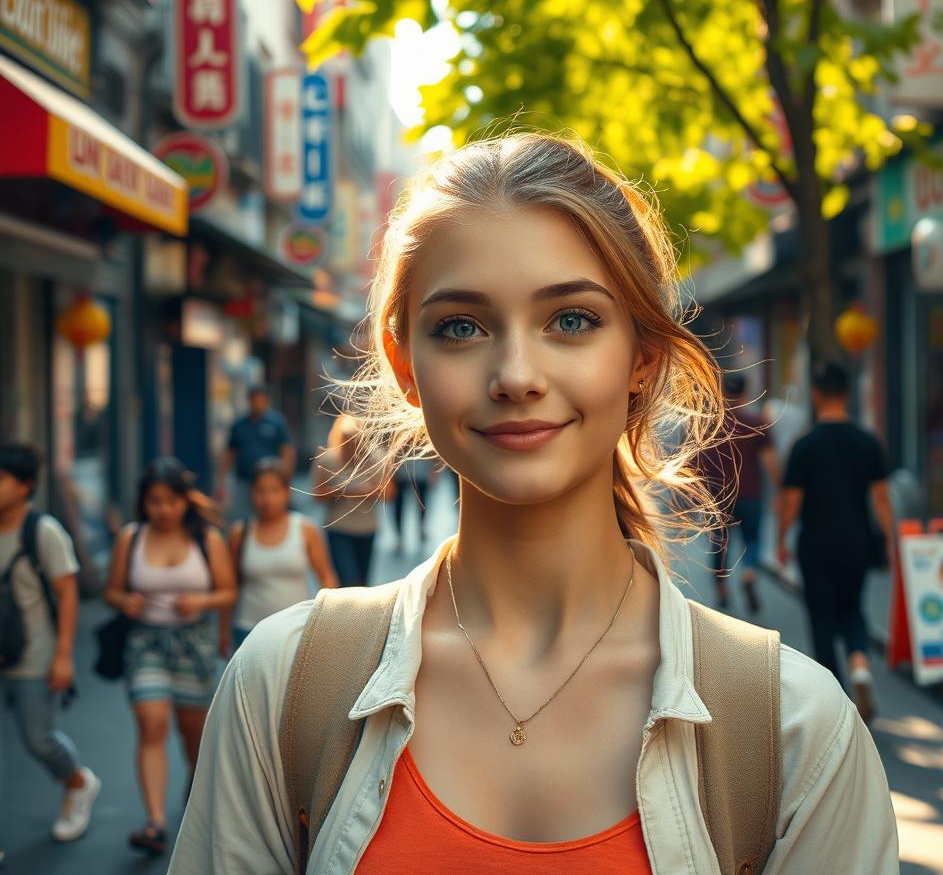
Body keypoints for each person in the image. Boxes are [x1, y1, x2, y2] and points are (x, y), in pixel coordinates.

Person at [170, 134, 898, 874]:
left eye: (572, 320)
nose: (516, 374)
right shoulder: (283, 686)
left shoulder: (795, 735)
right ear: (405, 365)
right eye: (462, 326)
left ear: (642, 357)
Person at [103, 458, 236, 856]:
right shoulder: (132, 537)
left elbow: (228, 591)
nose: (164, 509)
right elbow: (111, 590)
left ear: (184, 501)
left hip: (193, 646)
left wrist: (201, 600)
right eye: (155, 501)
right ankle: (155, 823)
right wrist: (123, 600)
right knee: (151, 722)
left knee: (193, 737)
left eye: (172, 501)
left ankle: (194, 797)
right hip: (146, 643)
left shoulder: (206, 539)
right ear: (144, 503)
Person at [776, 361, 895, 725]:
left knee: (822, 619)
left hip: (817, 545)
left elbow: (792, 502)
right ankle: (859, 661)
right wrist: (889, 542)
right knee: (853, 608)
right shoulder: (867, 442)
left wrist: (782, 539)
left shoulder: (805, 446)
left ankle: (839, 704)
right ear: (847, 394)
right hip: (858, 543)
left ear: (816, 394)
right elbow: (881, 500)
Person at [0, 443, 101, 843]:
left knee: (39, 741)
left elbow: (68, 593)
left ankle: (77, 783)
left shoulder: (42, 531)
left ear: (25, 486)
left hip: (34, 656)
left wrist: (63, 656)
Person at [221, 457, 338, 655]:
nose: (267, 499)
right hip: (249, 630)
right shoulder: (240, 533)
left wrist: (329, 624)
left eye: (274, 490)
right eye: (260, 491)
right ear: (251, 493)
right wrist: (223, 631)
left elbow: (326, 578)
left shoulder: (305, 529)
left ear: (286, 492)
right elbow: (229, 587)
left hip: (296, 630)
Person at [701, 373, 779, 614]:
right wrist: (781, 491)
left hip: (717, 497)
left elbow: (695, 465)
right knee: (753, 540)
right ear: (745, 393)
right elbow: (770, 464)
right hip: (750, 494)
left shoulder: (707, 426)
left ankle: (722, 590)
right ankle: (748, 573)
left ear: (722, 393)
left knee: (719, 545)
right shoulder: (756, 424)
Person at [313, 412, 393, 587]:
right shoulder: (327, 459)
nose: (351, 445)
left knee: (362, 584)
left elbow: (389, 494)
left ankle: (358, 614)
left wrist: (365, 492)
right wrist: (338, 491)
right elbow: (316, 495)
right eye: (347, 440)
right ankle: (344, 613)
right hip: (338, 527)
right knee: (348, 581)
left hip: (367, 528)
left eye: (356, 440)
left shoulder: (378, 458)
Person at [216, 385, 295, 524]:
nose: (257, 403)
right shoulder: (239, 425)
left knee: (271, 513)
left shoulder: (277, 423)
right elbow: (229, 454)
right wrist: (221, 482)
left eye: (261, 399)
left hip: (270, 481)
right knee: (243, 518)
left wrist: (286, 478)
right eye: (254, 399)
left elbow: (287, 451)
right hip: (244, 481)